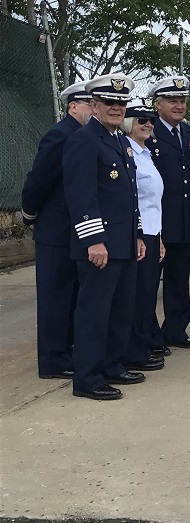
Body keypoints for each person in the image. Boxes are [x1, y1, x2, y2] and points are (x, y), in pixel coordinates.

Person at [62, 73, 146, 400]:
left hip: (123, 244)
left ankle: (112, 365)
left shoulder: (118, 140)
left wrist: (136, 235)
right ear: (94, 104)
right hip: (100, 246)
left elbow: (128, 196)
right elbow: (82, 196)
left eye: (121, 102)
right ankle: (87, 378)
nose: (116, 108)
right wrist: (93, 241)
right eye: (110, 102)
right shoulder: (84, 140)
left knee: (120, 310)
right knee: (94, 314)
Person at [21, 81, 93, 380]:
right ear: (72, 106)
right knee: (55, 297)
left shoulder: (88, 137)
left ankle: (70, 351)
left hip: (78, 230)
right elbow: (39, 180)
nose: (93, 108)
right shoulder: (60, 135)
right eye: (88, 104)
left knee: (74, 295)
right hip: (57, 229)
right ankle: (53, 359)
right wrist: (29, 214)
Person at [147, 76, 190, 351]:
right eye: (172, 100)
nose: (179, 105)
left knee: (179, 279)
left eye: (182, 100)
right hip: (156, 223)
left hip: (184, 221)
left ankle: (176, 330)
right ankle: (149, 336)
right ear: (158, 105)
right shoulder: (148, 132)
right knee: (147, 282)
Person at [119, 103, 167, 370]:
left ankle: (142, 345)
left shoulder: (145, 154)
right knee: (137, 297)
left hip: (151, 232)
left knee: (147, 295)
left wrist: (158, 237)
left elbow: (153, 203)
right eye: (141, 121)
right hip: (137, 234)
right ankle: (133, 353)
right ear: (128, 124)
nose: (148, 124)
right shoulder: (128, 153)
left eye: (151, 121)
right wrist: (141, 234)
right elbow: (132, 200)